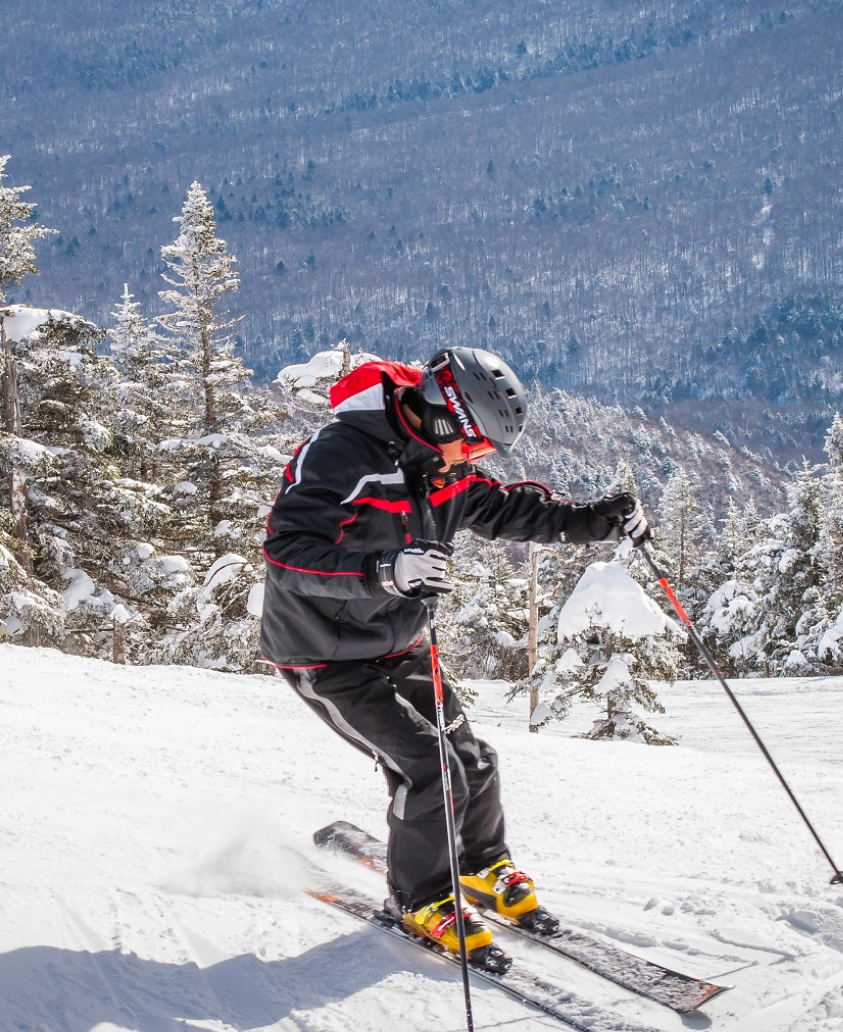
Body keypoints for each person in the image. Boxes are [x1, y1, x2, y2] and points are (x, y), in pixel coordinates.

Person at [260, 347, 650, 966]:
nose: (477, 460)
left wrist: (596, 522)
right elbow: (286, 552)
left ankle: (479, 864)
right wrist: (382, 570)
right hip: (326, 655)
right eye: (475, 446)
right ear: (446, 418)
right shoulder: (341, 456)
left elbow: (506, 510)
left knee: (472, 757)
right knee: (429, 766)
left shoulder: (441, 466)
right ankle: (419, 897)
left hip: (402, 641)